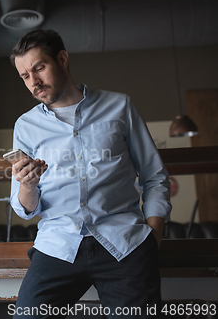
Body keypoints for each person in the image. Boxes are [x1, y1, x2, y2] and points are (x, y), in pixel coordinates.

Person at [9, 29, 171, 318]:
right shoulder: (25, 126)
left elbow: (154, 176)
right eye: (24, 76)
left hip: (124, 244)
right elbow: (24, 208)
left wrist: (154, 235)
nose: (33, 82)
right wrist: (27, 185)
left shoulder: (120, 106)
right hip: (58, 246)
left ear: (62, 59)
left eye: (39, 68)